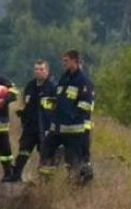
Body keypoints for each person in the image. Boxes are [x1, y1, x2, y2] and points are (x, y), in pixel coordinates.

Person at [39, 50, 94, 182]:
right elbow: (60, 99)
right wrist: (52, 105)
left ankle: (78, 184)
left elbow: (86, 105)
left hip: (73, 130)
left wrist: (72, 115)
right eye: (63, 61)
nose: (63, 64)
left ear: (75, 61)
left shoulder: (83, 81)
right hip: (57, 127)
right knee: (46, 149)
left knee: (73, 160)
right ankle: (46, 182)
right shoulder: (64, 78)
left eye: (66, 61)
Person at [5, 59, 56, 182]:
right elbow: (24, 104)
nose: (38, 72)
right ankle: (16, 175)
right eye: (36, 69)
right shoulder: (30, 86)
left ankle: (46, 179)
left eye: (41, 69)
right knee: (23, 151)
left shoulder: (52, 88)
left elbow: (56, 109)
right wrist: (22, 114)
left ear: (47, 71)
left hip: (45, 127)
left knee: (45, 153)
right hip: (30, 127)